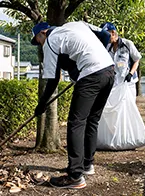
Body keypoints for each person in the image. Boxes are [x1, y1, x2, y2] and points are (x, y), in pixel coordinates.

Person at [31, 21, 115, 188]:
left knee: (76, 123)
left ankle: (75, 176)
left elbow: (53, 79)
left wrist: (42, 105)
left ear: (42, 33)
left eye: (37, 40)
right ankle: (86, 165)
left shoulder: (50, 41)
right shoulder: (75, 25)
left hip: (92, 74)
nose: (39, 44)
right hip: (109, 70)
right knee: (92, 120)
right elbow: (106, 35)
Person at [100, 22, 141, 98]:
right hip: (115, 82)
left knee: (127, 105)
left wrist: (130, 74)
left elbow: (136, 60)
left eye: (106, 35)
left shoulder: (127, 44)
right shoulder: (108, 47)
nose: (105, 37)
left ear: (113, 33)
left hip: (128, 82)